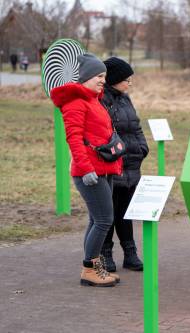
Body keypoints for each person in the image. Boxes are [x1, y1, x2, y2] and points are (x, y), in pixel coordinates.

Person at [50, 53, 122, 287]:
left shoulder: (94, 100)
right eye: (99, 76)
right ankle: (89, 270)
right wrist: (85, 167)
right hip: (89, 172)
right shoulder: (75, 102)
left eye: (104, 76)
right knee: (104, 220)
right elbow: (74, 138)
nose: (103, 80)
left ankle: (94, 267)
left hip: (104, 168)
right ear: (86, 77)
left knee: (97, 219)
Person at [99, 57, 148, 272]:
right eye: (127, 79)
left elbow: (135, 127)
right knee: (108, 212)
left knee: (126, 211)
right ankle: (105, 253)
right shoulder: (101, 101)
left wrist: (142, 147)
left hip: (131, 165)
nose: (130, 83)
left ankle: (130, 253)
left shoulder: (125, 99)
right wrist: (117, 154)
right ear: (115, 79)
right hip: (112, 165)